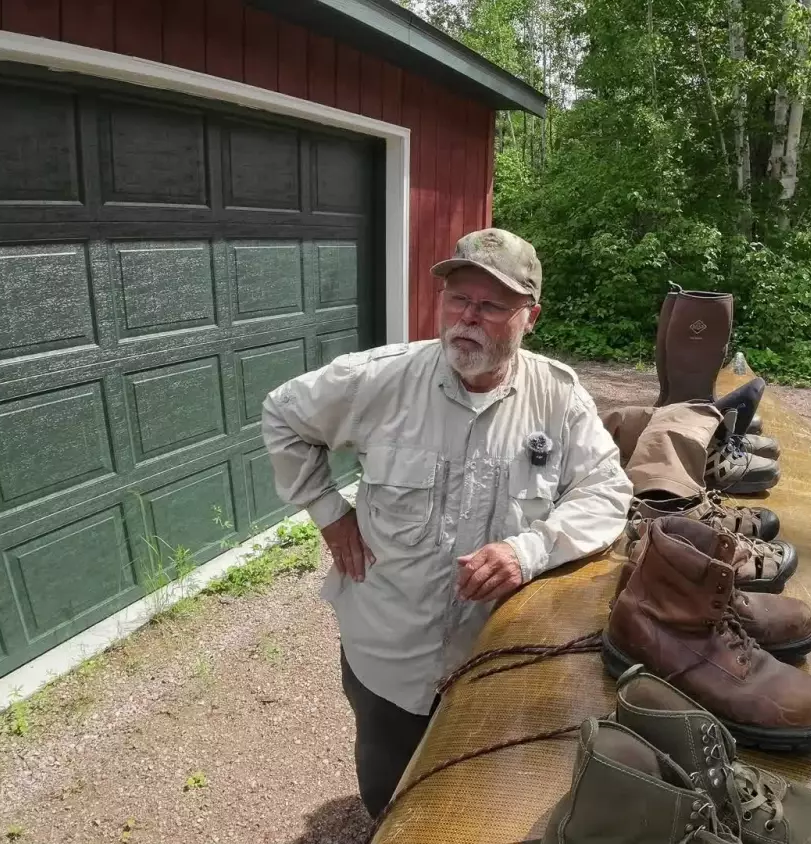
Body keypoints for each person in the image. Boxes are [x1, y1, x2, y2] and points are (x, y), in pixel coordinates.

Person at [260, 228, 633, 819]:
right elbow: (283, 414)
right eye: (458, 299)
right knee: (387, 793)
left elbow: (608, 491)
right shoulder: (380, 379)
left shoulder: (558, 398)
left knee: (479, 799)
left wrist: (531, 549)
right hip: (389, 654)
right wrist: (330, 513)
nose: (467, 319)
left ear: (529, 316)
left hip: (493, 658)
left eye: (490, 306)